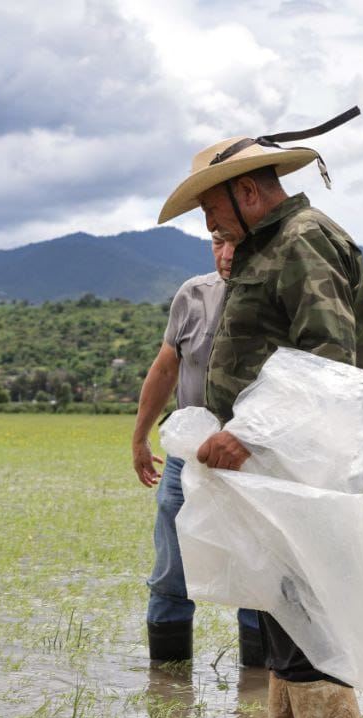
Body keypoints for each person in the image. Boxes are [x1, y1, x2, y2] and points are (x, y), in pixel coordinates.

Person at [155, 107, 363, 718]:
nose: (209, 226)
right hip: (272, 476)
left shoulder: (302, 240)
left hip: (298, 474)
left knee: (310, 637)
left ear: (247, 191)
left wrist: (248, 433)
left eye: (210, 210)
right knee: (286, 631)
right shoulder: (270, 245)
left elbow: (329, 361)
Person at [131, 233, 265, 669]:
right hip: (185, 460)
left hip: (255, 459)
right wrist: (140, 436)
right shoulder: (193, 295)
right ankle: (168, 689)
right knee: (171, 573)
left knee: (260, 577)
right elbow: (165, 367)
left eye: (236, 243)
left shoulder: (277, 298)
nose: (226, 254)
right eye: (218, 242)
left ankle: (257, 689)